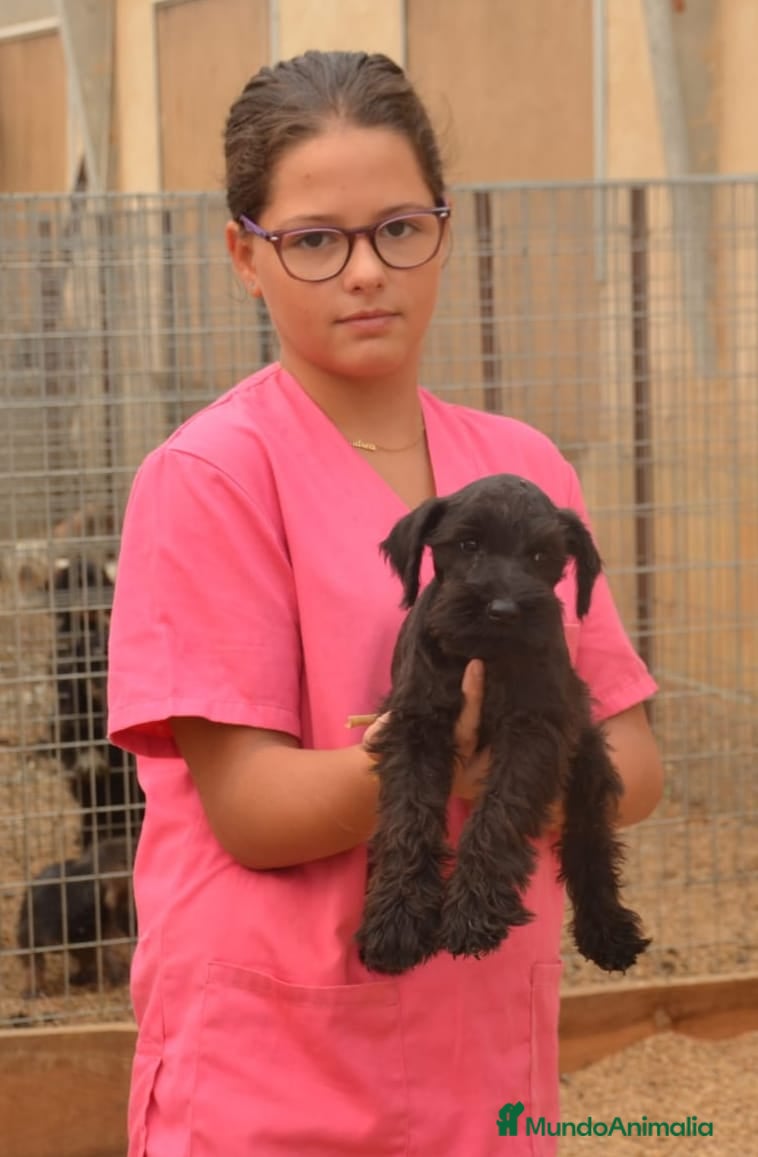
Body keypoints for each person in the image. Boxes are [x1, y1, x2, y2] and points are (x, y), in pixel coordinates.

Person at [107, 50, 664, 1157]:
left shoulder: (520, 469)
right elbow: (254, 808)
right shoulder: (212, 475)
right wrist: (479, 753)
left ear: (442, 232)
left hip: (485, 1050)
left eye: (398, 228)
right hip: (276, 1060)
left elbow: (632, 769)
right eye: (314, 240)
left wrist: (519, 759)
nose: (366, 271)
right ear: (244, 256)